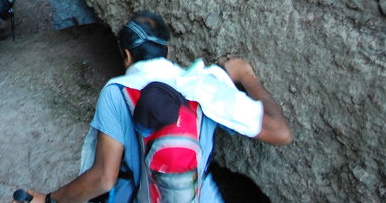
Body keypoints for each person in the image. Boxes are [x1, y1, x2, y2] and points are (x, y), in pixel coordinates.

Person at [16, 11, 293, 203]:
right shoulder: (203, 86)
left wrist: (50, 199)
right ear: (168, 51)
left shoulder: (116, 93)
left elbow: (103, 178)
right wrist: (248, 78)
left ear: (126, 56)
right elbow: (280, 133)